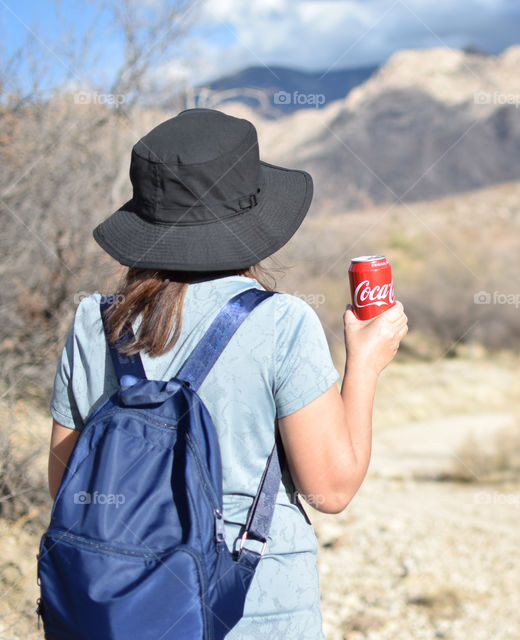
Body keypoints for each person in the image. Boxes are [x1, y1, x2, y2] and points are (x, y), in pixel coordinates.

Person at [46, 108, 407, 638]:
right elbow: (331, 489)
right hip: (252, 611)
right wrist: (366, 366)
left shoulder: (92, 322)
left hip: (112, 611)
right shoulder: (281, 322)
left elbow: (65, 486)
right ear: (251, 216)